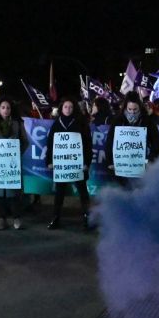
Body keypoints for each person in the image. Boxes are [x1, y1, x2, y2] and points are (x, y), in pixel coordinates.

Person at [46, 97, 92, 230]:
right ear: (61, 108)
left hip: (79, 164)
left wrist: (86, 163)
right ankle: (56, 218)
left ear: (74, 108)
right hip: (62, 166)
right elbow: (50, 144)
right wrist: (49, 161)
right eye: (65, 107)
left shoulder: (81, 123)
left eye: (70, 107)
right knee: (59, 192)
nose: (68, 109)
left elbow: (88, 144)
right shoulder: (56, 123)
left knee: (83, 191)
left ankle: (87, 218)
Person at [0, 99, 30, 230]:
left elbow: (25, 142)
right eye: (3, 107)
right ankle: (2, 220)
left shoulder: (17, 124)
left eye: (8, 107)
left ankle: (16, 218)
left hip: (12, 165)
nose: (5, 110)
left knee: (14, 193)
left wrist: (15, 151)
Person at [105, 93, 159, 189]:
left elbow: (157, 144)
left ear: (140, 108)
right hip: (122, 166)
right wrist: (110, 162)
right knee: (124, 191)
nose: (132, 112)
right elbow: (110, 142)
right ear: (125, 108)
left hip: (142, 167)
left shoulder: (148, 122)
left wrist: (150, 160)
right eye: (130, 109)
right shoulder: (118, 121)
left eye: (135, 109)